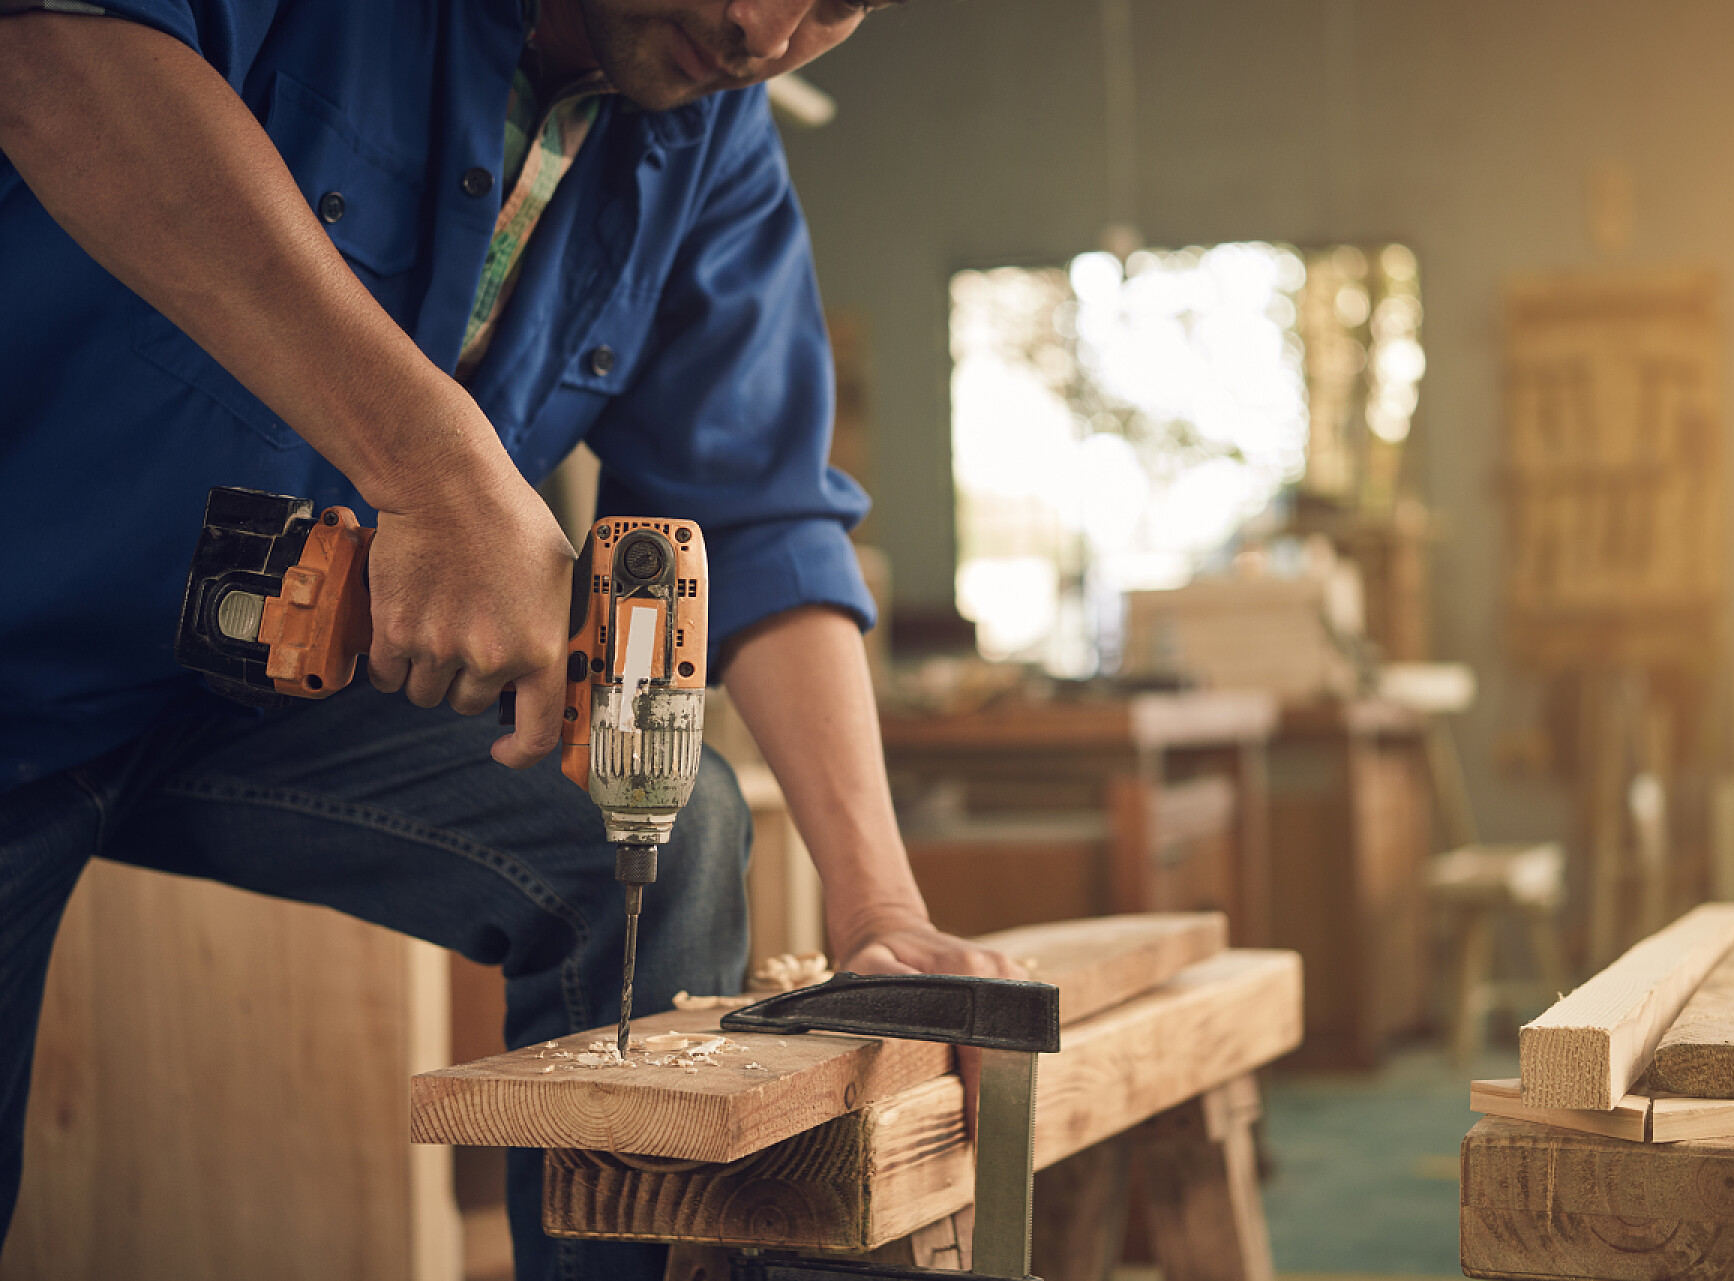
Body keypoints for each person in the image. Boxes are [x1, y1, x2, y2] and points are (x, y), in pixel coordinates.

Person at [0, 2, 1021, 1276]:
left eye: (836, 5)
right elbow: (56, 59)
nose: (766, 27)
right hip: (22, 657)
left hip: (259, 693)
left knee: (657, 824)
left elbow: (757, 513)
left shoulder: (706, 137)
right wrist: (443, 470)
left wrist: (882, 909)